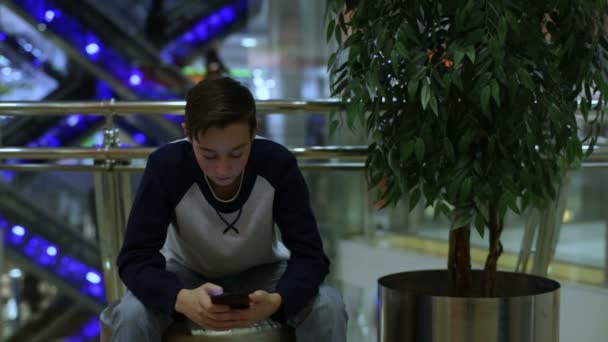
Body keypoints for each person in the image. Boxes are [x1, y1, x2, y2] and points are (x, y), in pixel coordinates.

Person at [109, 76, 348, 341]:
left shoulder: (277, 164)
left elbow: (311, 256)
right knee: (130, 314)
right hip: (186, 274)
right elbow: (135, 257)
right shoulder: (166, 167)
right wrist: (180, 298)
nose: (223, 169)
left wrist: (278, 300)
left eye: (237, 153)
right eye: (208, 155)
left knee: (328, 305)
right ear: (187, 133)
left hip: (262, 273)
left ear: (254, 131)